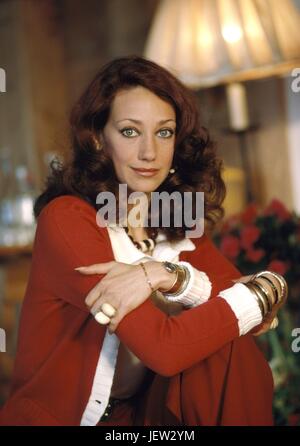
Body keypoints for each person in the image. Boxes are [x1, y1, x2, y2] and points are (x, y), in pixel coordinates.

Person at [0, 56, 287, 426]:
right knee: (220, 326)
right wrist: (259, 291)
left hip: (136, 420)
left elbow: (253, 314)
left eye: (164, 132)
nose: (149, 152)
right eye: (130, 132)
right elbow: (165, 349)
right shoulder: (68, 219)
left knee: (226, 346)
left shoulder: (174, 222)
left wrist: (168, 275)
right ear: (97, 139)